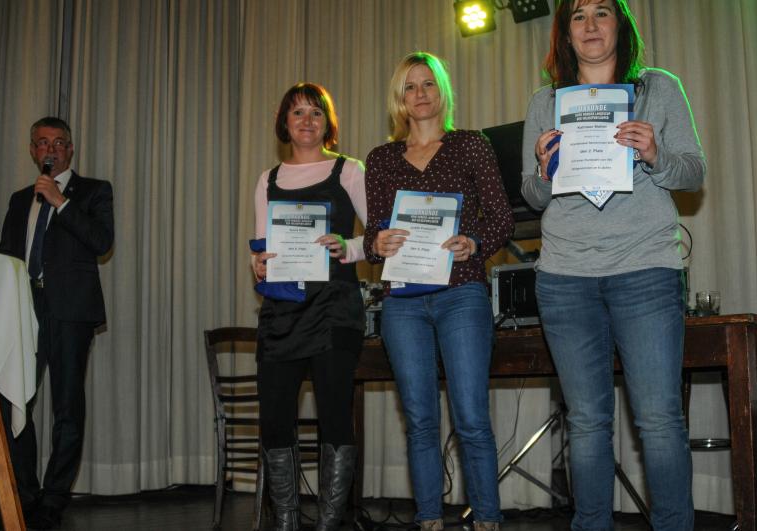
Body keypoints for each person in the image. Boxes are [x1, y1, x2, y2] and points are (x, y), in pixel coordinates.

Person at [520, 1, 705, 530]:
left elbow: (693, 171)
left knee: (659, 419)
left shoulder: (658, 88)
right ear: (565, 33)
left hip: (646, 267)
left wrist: (656, 154)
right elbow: (531, 196)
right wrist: (543, 168)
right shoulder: (545, 102)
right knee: (586, 422)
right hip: (564, 277)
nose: (591, 25)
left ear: (620, 24)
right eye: (578, 16)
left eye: (602, 12)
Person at [363, 52, 514, 531]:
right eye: (410, 86)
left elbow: (502, 218)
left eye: (429, 83)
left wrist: (475, 242)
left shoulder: (471, 145)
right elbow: (371, 236)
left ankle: (487, 519)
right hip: (402, 302)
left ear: (442, 91)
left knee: (471, 418)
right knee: (420, 421)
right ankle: (428, 519)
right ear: (400, 99)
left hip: (461, 293)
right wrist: (376, 243)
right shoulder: (381, 159)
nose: (420, 94)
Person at [251, 83, 367, 531]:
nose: (306, 120)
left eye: (316, 112)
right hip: (282, 312)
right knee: (274, 419)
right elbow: (261, 248)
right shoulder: (267, 179)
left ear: (327, 123)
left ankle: (329, 523)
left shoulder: (349, 170)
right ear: (285, 122)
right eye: (297, 112)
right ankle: (285, 521)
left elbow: (378, 236)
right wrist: (258, 263)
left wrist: (347, 246)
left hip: (335, 308)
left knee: (334, 415)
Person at [0, 116, 114, 529]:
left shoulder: (94, 191)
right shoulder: (19, 199)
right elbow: (8, 257)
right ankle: (25, 493)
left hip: (70, 310)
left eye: (59, 142)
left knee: (67, 406)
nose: (51, 149)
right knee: (14, 401)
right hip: (23, 309)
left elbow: (102, 242)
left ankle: (54, 497)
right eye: (43, 143)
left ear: (70, 149)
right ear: (33, 151)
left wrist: (60, 202)